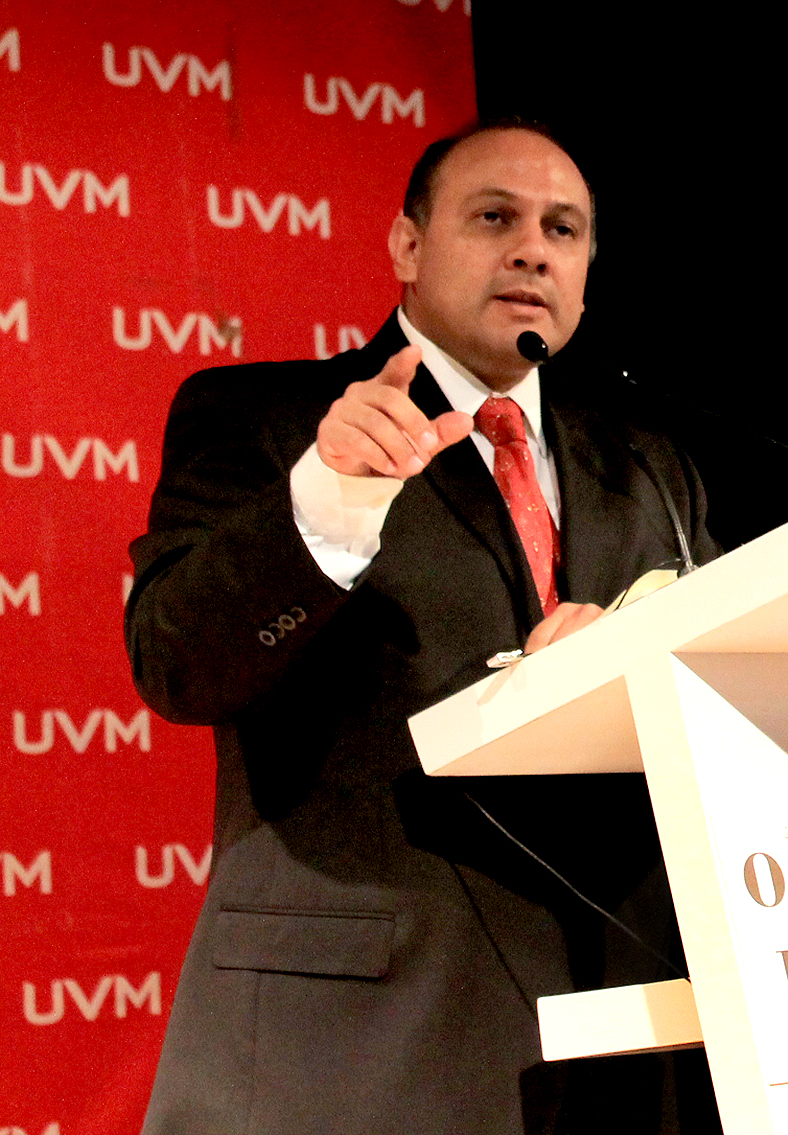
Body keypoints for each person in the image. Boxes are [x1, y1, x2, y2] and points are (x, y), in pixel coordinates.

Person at [126, 120, 721, 1134]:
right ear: (408, 245)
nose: (531, 250)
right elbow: (176, 664)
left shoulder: (650, 467)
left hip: (621, 1029)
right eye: (493, 218)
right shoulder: (271, 419)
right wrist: (326, 504)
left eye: (563, 230)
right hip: (358, 1041)